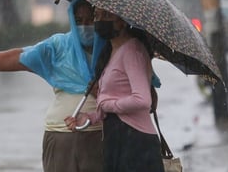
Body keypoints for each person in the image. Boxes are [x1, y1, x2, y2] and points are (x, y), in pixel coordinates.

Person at [0, 0, 106, 172]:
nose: (85, 26)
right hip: (59, 136)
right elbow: (21, 57)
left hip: (99, 136)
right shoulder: (58, 46)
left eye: (91, 19)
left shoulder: (111, 47)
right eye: (79, 21)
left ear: (100, 19)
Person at [65, 9, 165, 172]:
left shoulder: (132, 50)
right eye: (97, 15)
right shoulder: (111, 52)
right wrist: (89, 118)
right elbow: (112, 99)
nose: (99, 20)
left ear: (123, 21)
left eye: (107, 16)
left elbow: (143, 100)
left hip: (136, 142)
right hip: (117, 140)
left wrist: (108, 105)